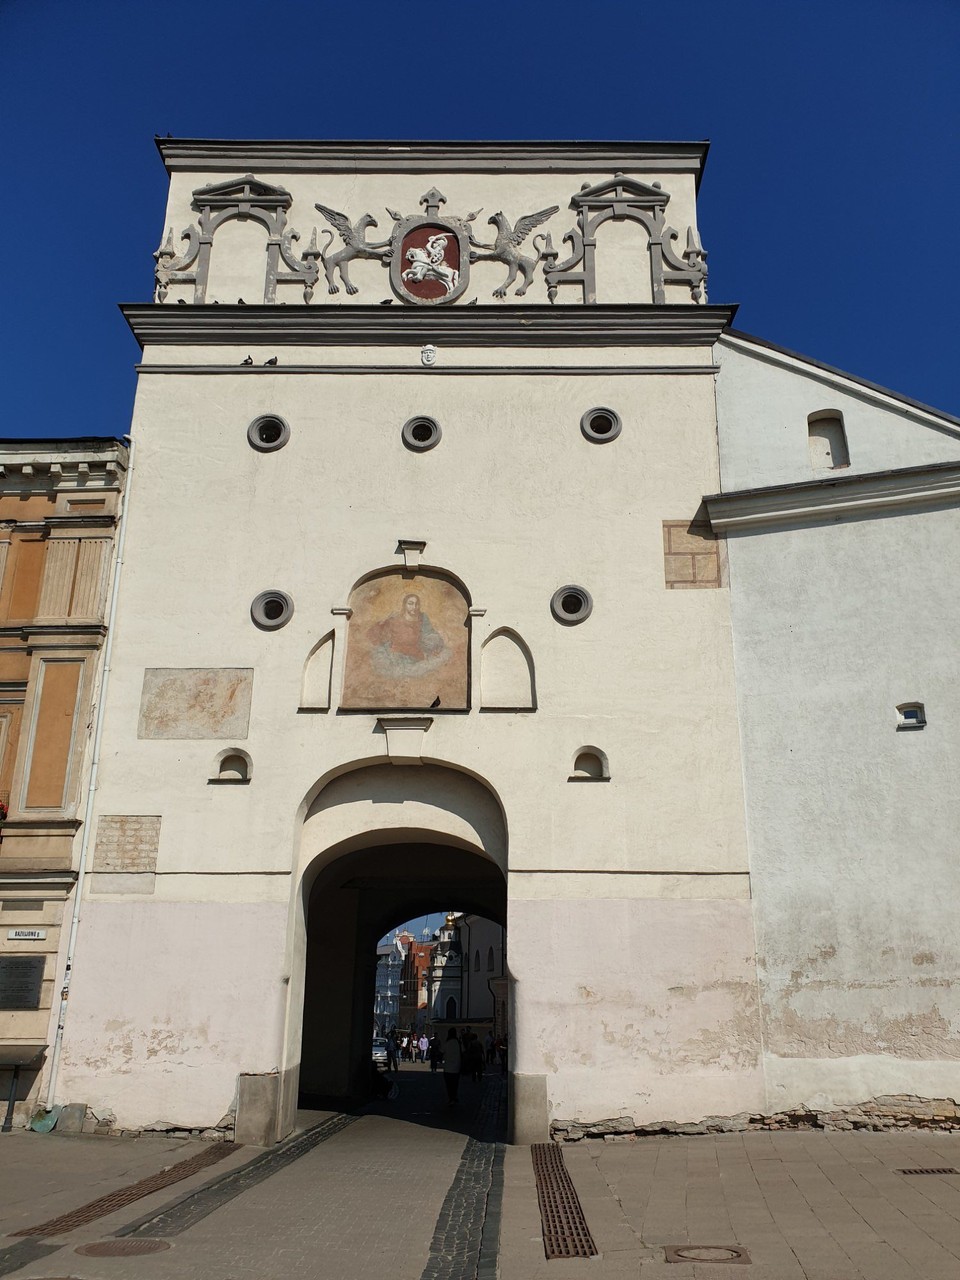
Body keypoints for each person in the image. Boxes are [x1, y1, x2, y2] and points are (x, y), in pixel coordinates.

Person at [441, 1028, 462, 1105]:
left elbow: (442, 1051)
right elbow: (463, 1051)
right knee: (455, 1084)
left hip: (447, 1067)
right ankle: (454, 1097)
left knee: (449, 1085)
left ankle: (451, 1098)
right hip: (456, 1067)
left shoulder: (447, 1043)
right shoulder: (458, 1043)